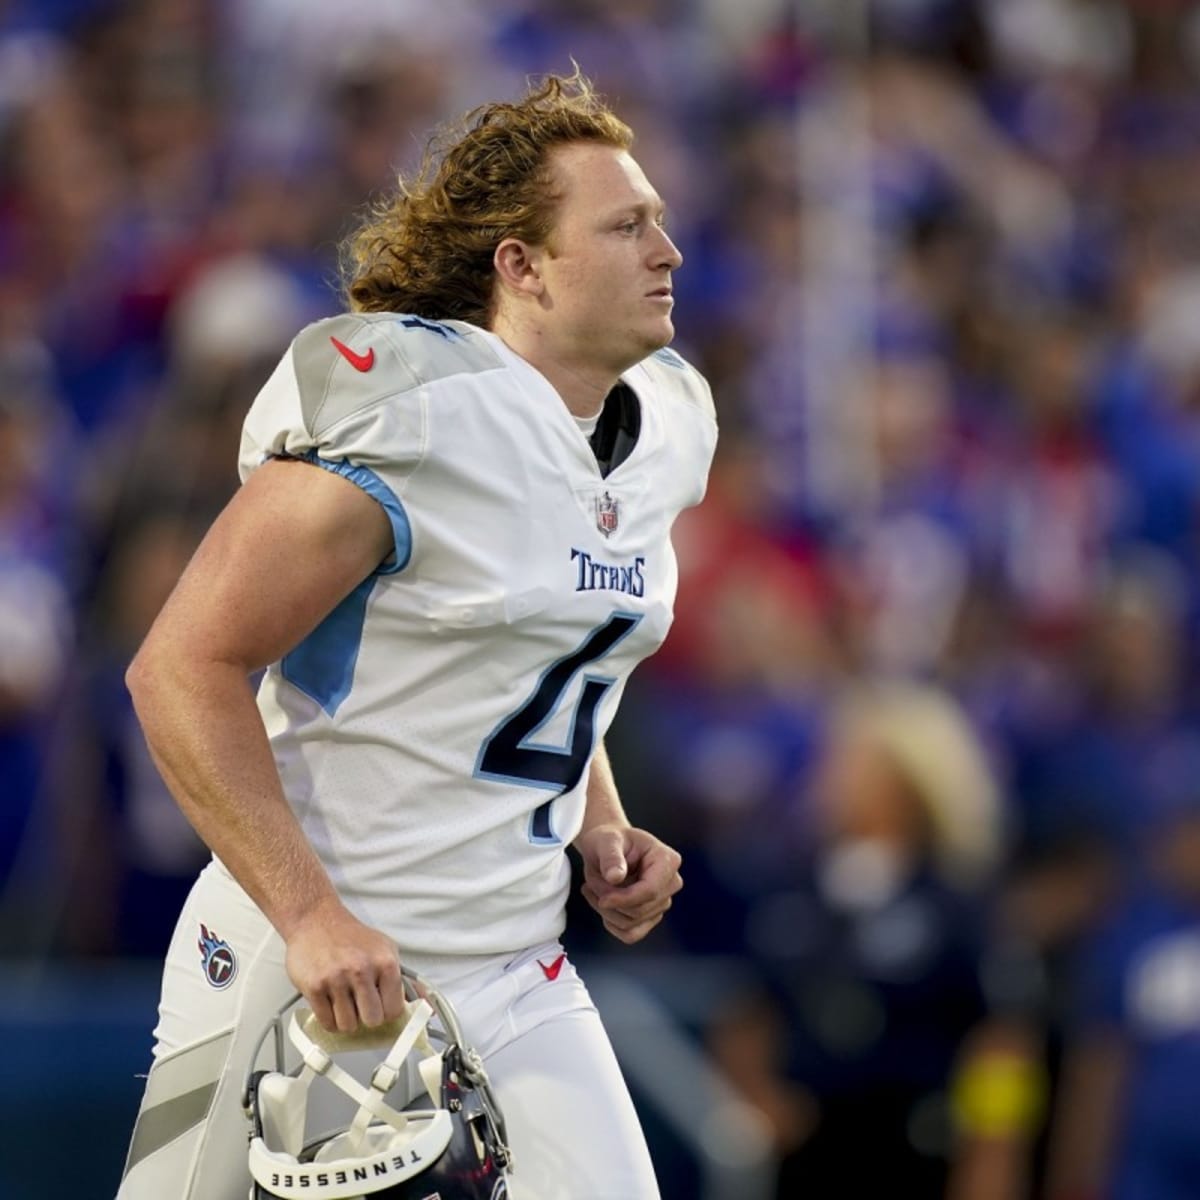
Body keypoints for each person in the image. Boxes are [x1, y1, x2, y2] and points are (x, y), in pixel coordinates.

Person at [116, 70, 716, 1200]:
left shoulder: (668, 426)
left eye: (663, 220)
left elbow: (531, 651)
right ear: (522, 266)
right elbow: (179, 668)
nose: (667, 249)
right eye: (627, 224)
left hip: (514, 957)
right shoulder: (415, 415)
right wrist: (308, 916)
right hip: (319, 958)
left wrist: (600, 818)